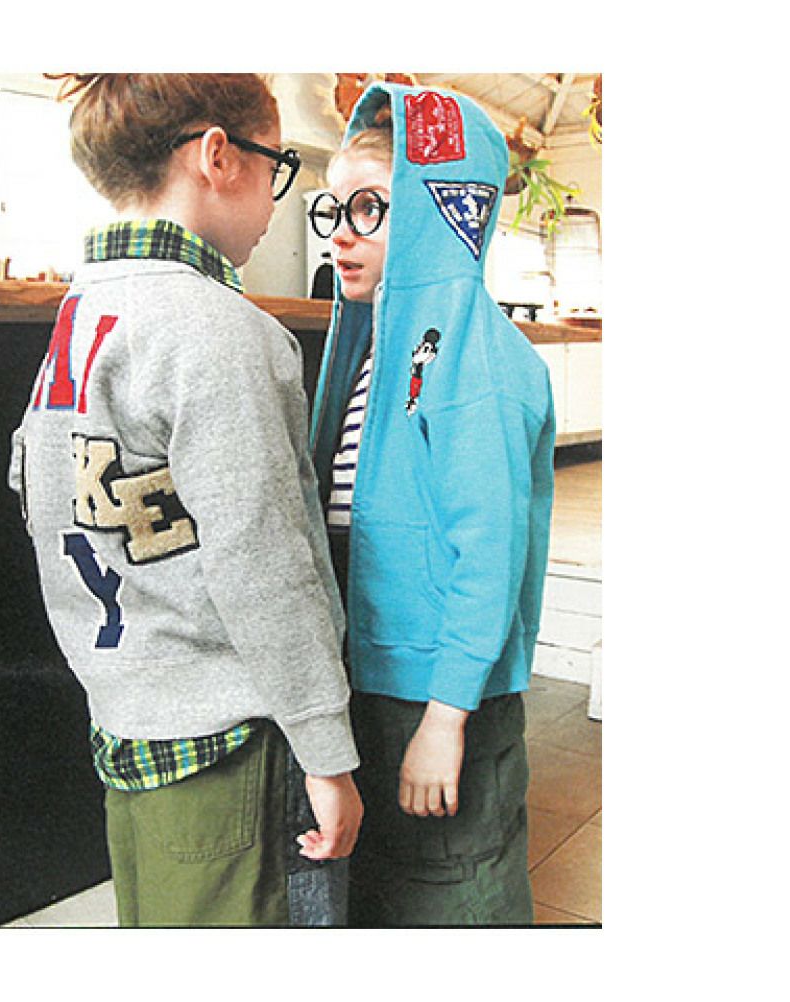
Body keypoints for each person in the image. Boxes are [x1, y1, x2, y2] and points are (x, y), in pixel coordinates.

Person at [7, 73, 362, 928]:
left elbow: (32, 487)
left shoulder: (82, 315)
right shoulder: (222, 330)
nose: (279, 199)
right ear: (217, 156)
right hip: (228, 741)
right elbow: (263, 564)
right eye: (277, 168)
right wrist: (327, 752)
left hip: (125, 717)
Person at [307, 82, 556, 926]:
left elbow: (489, 553)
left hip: (441, 696)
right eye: (333, 208)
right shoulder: (376, 353)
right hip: (375, 679)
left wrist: (445, 720)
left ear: (438, 213)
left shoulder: (476, 358)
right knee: (392, 884)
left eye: (371, 208)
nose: (341, 233)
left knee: (456, 888)